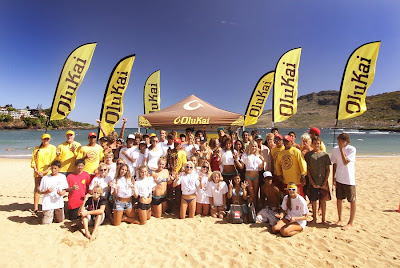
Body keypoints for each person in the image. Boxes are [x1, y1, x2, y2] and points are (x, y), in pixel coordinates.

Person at [331, 133, 356, 230]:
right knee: (339, 198)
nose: (340, 143)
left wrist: (341, 150)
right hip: (339, 178)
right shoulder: (335, 149)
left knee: (352, 200)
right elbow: (334, 163)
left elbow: (345, 162)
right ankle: (340, 218)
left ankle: (350, 222)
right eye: (339, 141)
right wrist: (333, 177)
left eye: (342, 141)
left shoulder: (351, 149)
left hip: (349, 179)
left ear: (346, 142)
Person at [305, 137, 332, 224]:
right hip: (313, 181)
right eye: (315, 144)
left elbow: (328, 169)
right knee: (313, 200)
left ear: (320, 144)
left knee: (323, 200)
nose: (316, 145)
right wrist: (312, 182)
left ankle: (323, 219)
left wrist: (325, 182)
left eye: (318, 144)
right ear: (312, 144)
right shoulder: (308, 155)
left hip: (323, 181)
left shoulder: (325, 155)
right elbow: (308, 169)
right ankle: (315, 218)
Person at [31, 133, 57, 215]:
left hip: (48, 172)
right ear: (41, 139)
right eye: (44, 139)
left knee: (49, 189)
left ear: (50, 139)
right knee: (37, 189)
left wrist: (46, 171)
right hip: (38, 172)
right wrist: (36, 170)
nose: (46, 140)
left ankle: (49, 206)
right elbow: (33, 161)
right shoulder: (36, 149)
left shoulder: (53, 148)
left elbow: (53, 161)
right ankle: (35, 208)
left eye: (47, 139)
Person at [237, 140, 264, 208]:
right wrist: (236, 160)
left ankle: (253, 209)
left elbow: (260, 168)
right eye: (252, 146)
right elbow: (241, 166)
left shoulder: (258, 156)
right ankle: (249, 207)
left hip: (256, 176)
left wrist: (263, 161)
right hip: (248, 176)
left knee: (255, 194)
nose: (254, 148)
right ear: (249, 146)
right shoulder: (245, 155)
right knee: (251, 193)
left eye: (255, 146)